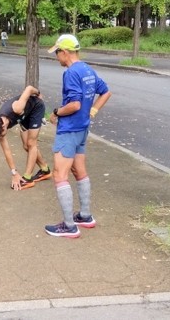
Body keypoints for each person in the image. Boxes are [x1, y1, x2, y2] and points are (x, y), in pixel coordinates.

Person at [45, 34, 111, 238]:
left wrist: (56, 113)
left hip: (69, 129)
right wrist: (93, 112)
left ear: (65, 52)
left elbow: (74, 104)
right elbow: (106, 92)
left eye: (57, 52)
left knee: (59, 174)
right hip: (82, 128)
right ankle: (85, 216)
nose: (56, 57)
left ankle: (69, 226)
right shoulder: (87, 69)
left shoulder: (71, 72)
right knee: (79, 171)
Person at [0, 85, 52, 191]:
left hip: (36, 107)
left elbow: (29, 88)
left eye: (1, 134)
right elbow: (6, 150)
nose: (2, 137)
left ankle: (28, 178)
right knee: (25, 146)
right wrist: (14, 173)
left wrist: (38, 93)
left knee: (31, 143)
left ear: (3, 126)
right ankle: (45, 170)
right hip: (24, 115)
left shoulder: (16, 108)